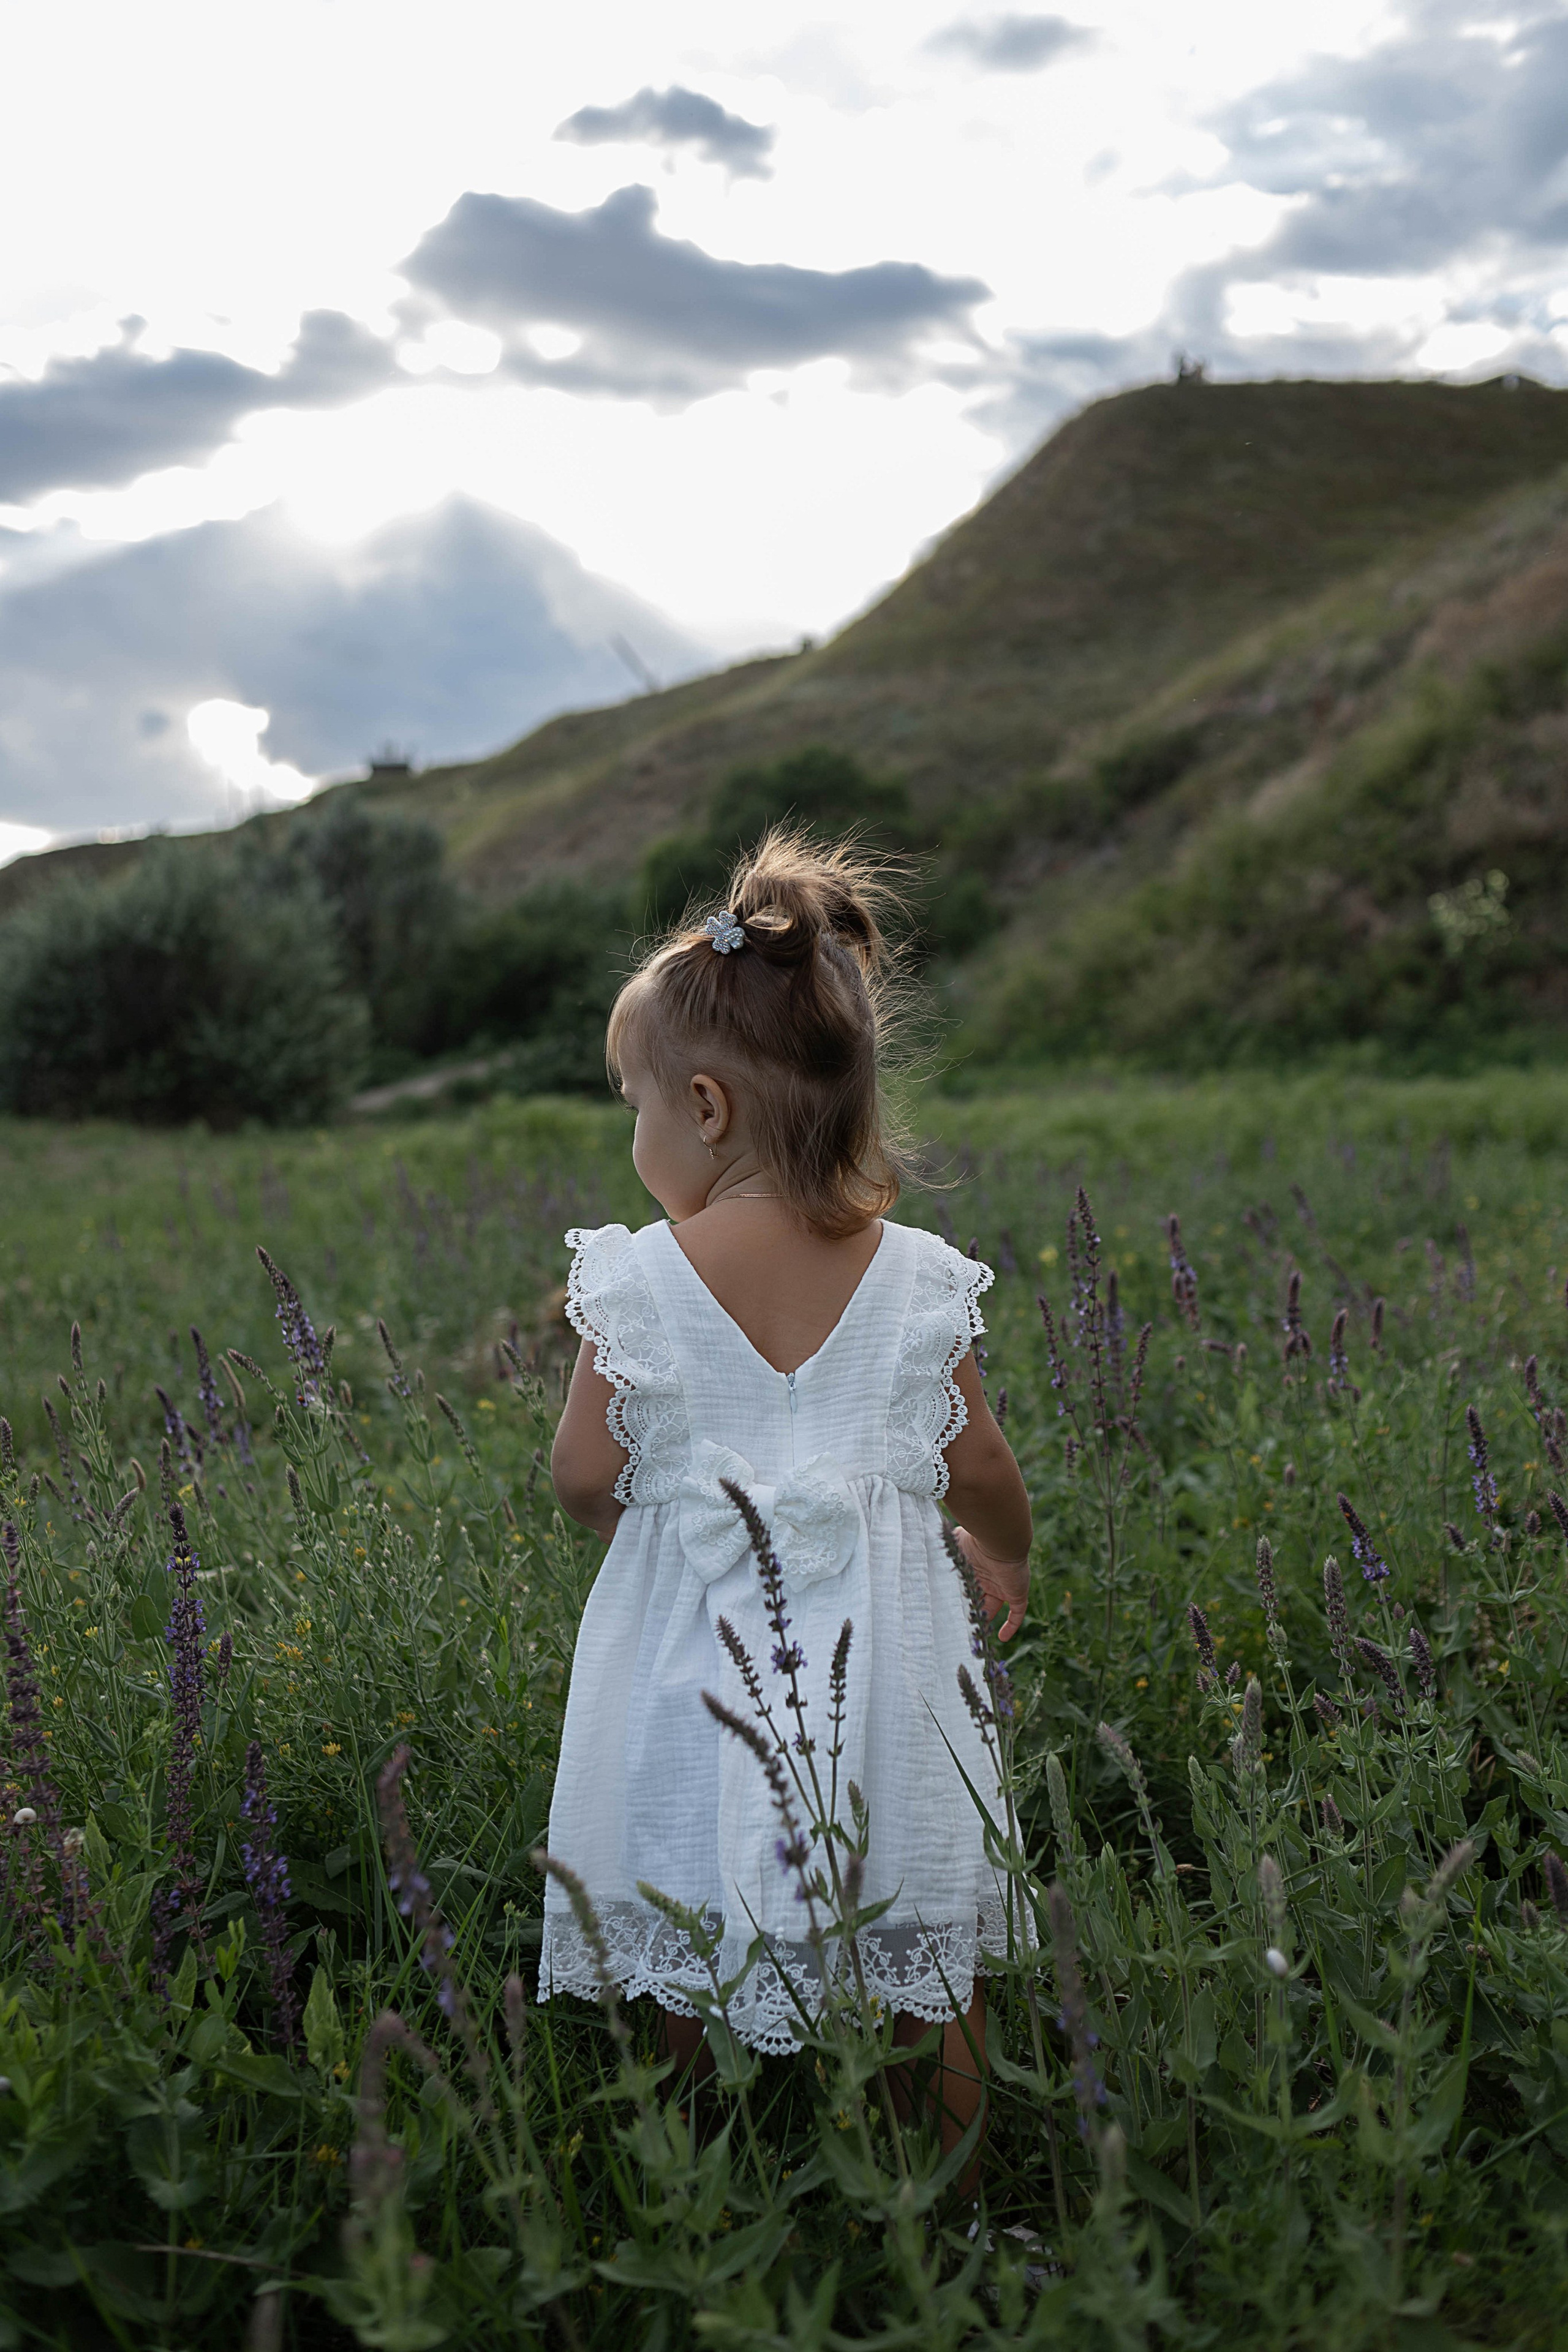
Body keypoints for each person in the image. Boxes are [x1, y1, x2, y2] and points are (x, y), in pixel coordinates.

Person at [541, 829, 1033, 2169]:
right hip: (891, 1663)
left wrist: (658, 1536)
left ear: (700, 1109)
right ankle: (955, 2188)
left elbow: (584, 1473)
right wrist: (1000, 1556)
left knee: (678, 1884)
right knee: (923, 1923)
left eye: (634, 1105)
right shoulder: (925, 1280)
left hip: (685, 1658)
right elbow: (978, 1465)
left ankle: (692, 2158)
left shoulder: (633, 1283)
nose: (635, 1134)